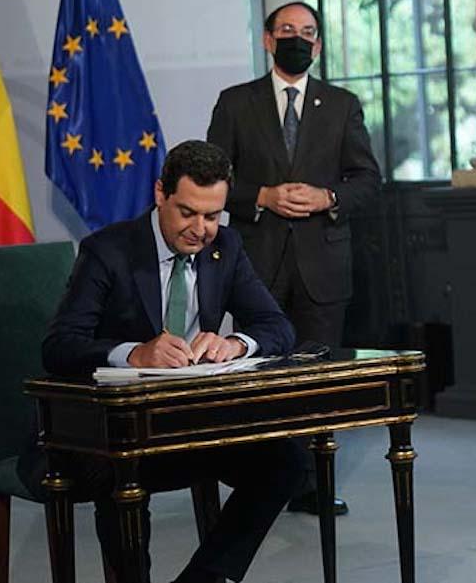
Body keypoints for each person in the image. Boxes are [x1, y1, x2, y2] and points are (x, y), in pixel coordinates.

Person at [42, 140, 305, 583]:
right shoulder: (108, 250)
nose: (200, 229)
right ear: (160, 193)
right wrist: (134, 354)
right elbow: (59, 346)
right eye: (187, 212)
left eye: (212, 215)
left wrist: (236, 343)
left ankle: (204, 578)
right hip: (113, 432)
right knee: (120, 471)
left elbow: (277, 327)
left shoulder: (226, 247)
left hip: (193, 424)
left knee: (288, 461)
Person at [207, 0, 381, 515]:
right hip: (255, 263)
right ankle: (263, 480)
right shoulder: (236, 102)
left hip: (322, 266)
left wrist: (328, 198)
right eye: (287, 30)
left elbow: (368, 181)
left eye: (307, 32)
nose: (297, 39)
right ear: (267, 39)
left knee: (316, 380)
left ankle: (312, 486)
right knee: (260, 373)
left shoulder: (343, 104)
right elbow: (214, 179)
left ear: (319, 44)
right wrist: (261, 196)